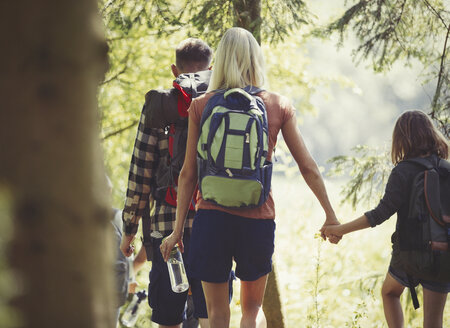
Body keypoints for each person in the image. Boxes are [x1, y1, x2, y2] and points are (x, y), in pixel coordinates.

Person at [160, 27, 340, 328]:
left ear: (220, 60)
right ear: (256, 60)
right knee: (251, 310)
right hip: (258, 218)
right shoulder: (278, 105)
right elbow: (307, 166)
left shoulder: (201, 105)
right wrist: (330, 214)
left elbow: (188, 173)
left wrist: (177, 230)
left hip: (212, 218)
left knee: (217, 313)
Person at [322, 110, 449, 328]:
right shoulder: (447, 169)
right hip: (443, 253)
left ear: (402, 139)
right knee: (434, 322)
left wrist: (340, 229)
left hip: (410, 254)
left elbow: (380, 214)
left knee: (389, 293)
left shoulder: (403, 171)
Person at [120, 38, 214, 328]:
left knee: (168, 317)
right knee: (211, 314)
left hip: (166, 230)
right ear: (211, 68)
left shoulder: (159, 107)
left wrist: (129, 229)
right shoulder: (219, 104)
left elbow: (140, 172)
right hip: (213, 225)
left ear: (175, 70)